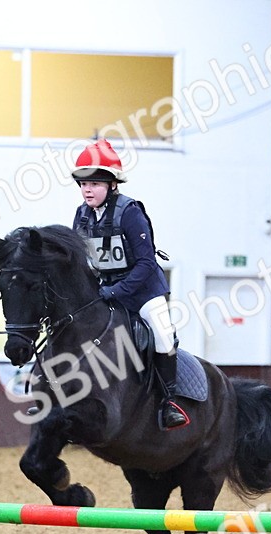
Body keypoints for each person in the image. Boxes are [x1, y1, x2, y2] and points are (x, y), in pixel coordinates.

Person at [71, 139, 188, 431]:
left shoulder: (130, 211)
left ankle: (168, 403)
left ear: (112, 184)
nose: (87, 189)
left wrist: (114, 292)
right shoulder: (81, 215)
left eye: (95, 183)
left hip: (143, 292)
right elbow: (82, 260)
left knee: (163, 335)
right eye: (83, 183)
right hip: (105, 292)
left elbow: (147, 264)